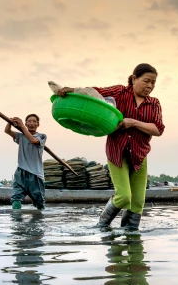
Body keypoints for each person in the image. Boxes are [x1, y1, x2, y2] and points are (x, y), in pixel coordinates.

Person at [56, 63, 164, 229]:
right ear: (134, 78)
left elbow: (157, 129)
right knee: (124, 197)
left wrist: (133, 123)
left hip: (139, 155)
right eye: (146, 81)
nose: (150, 86)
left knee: (138, 202)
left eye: (153, 83)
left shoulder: (154, 103)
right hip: (117, 152)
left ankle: (130, 237)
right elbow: (96, 93)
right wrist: (73, 90)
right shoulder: (120, 92)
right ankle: (102, 226)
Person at [5, 114, 47, 210]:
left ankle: (39, 221)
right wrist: (10, 122)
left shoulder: (42, 136)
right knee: (16, 199)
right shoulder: (20, 136)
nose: (31, 123)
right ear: (26, 123)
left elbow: (32, 140)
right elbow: (7, 131)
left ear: (38, 124)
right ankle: (16, 224)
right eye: (29, 121)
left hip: (35, 174)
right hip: (21, 172)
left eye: (34, 121)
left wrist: (22, 126)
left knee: (40, 203)